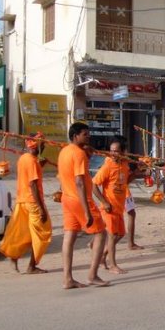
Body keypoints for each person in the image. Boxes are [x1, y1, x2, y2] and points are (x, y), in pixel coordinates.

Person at [58, 122, 109, 289]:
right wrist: (87, 211)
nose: (88, 136)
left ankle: (67, 279)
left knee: (69, 236)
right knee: (101, 233)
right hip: (80, 200)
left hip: (67, 198)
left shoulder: (64, 151)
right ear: (75, 136)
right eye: (85, 134)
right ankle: (92, 275)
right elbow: (79, 182)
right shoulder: (78, 153)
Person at [0, 132, 52, 274]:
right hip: (32, 202)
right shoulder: (32, 161)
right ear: (37, 145)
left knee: (24, 233)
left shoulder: (24, 158)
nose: (45, 145)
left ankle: (14, 257)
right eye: (43, 143)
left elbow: (30, 175)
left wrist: (40, 165)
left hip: (22, 201)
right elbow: (33, 185)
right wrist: (41, 208)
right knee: (43, 233)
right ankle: (32, 267)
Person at [92, 136, 131, 274]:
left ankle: (102, 255)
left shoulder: (125, 164)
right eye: (111, 151)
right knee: (112, 235)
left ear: (123, 151)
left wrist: (140, 171)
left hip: (119, 207)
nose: (113, 154)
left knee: (120, 234)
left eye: (116, 151)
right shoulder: (107, 165)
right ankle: (112, 265)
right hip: (108, 208)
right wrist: (104, 202)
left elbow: (126, 180)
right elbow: (94, 185)